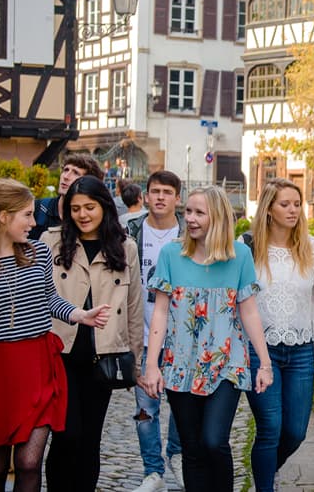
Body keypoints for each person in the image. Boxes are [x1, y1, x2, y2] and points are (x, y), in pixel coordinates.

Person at [0, 176, 112, 492]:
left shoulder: (37, 252)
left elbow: (49, 298)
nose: (34, 221)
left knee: (28, 463)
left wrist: (80, 314)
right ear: (3, 217)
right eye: (26, 214)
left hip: (37, 367)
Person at [138, 186, 275, 492]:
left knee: (214, 441)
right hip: (181, 362)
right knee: (192, 447)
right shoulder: (171, 254)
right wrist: (151, 365)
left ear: (219, 217)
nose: (190, 218)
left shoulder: (240, 256)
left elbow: (249, 311)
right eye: (188, 211)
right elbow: (159, 312)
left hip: (226, 360)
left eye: (199, 213)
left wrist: (264, 363)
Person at [40, 176, 146, 491]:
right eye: (75, 209)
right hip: (61, 353)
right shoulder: (51, 241)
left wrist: (135, 363)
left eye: (90, 207)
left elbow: (134, 307)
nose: (83, 215)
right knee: (66, 433)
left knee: (89, 439)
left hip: (105, 356)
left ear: (104, 207)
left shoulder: (125, 248)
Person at [242, 178, 314, 492]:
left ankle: (267, 472)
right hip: (260, 352)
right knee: (270, 428)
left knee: (295, 431)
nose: (293, 210)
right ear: (269, 209)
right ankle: (265, 488)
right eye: (285, 204)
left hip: (300, 352)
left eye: (297, 204)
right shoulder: (248, 249)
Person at [126, 171, 186, 492]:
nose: (160, 197)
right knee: (145, 409)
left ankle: (175, 455)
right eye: (155, 191)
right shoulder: (130, 229)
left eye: (167, 192)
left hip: (181, 336)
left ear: (177, 197)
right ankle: (153, 471)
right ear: (146, 196)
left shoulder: (189, 233)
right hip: (143, 333)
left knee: (181, 404)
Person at [30, 155, 105, 240]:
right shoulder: (38, 208)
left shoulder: (92, 219)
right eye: (66, 170)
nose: (66, 177)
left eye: (75, 173)